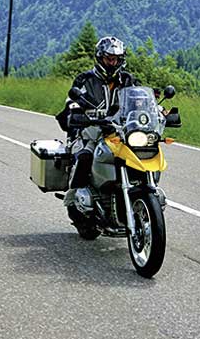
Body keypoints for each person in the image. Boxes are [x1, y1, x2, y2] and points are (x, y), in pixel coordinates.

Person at [56, 36, 138, 214]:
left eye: (116, 59)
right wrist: (74, 110)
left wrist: (158, 111)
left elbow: (138, 100)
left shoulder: (128, 80)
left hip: (119, 133)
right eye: (109, 58)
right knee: (85, 157)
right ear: (100, 58)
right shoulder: (84, 79)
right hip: (90, 131)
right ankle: (73, 198)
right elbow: (71, 102)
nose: (113, 63)